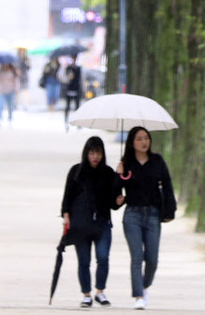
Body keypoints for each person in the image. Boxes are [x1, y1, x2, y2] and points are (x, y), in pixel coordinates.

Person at [116, 126, 177, 310]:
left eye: (146, 138)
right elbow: (115, 192)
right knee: (137, 257)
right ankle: (138, 297)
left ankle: (144, 285)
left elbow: (167, 186)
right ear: (132, 143)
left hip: (152, 214)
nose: (144, 142)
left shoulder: (157, 161)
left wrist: (169, 211)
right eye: (139, 139)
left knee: (152, 259)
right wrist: (118, 175)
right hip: (132, 214)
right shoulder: (126, 163)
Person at [61, 136, 124, 308]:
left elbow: (113, 202)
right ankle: (86, 294)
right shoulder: (76, 171)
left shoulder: (109, 173)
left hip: (102, 222)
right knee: (84, 260)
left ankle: (100, 291)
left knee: (103, 257)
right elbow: (67, 197)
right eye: (92, 153)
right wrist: (66, 215)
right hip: (81, 223)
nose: (95, 157)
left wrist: (119, 195)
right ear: (86, 153)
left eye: (98, 153)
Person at [60, 56, 82, 123]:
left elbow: (81, 78)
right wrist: (68, 78)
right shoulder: (68, 68)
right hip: (69, 88)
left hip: (77, 89)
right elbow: (63, 78)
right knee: (67, 106)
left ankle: (77, 120)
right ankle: (66, 119)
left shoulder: (79, 68)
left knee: (77, 106)